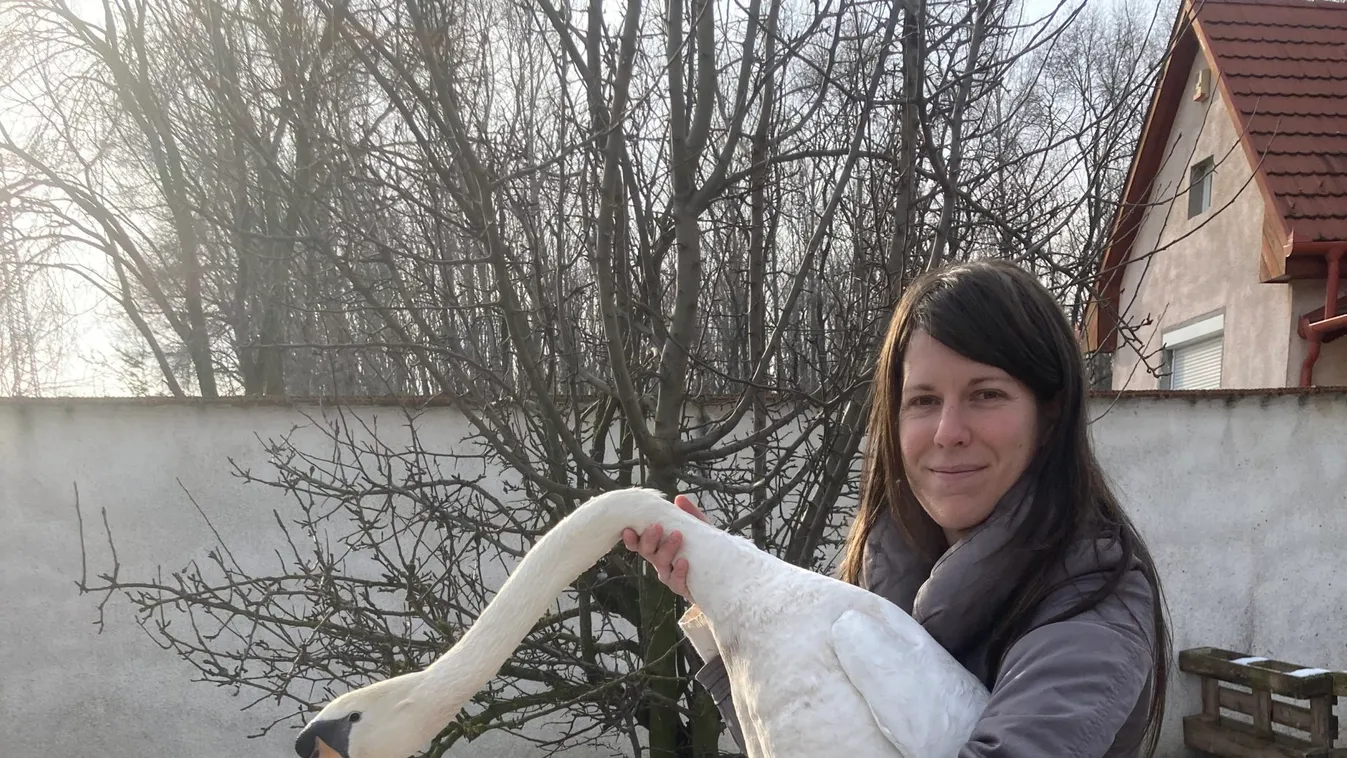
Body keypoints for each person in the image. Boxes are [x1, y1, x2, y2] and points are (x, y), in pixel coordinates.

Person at [622, 259, 1171, 758]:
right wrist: (724, 602)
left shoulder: (1090, 613)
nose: (948, 432)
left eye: (986, 394)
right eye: (924, 401)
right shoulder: (886, 575)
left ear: (1048, 415)